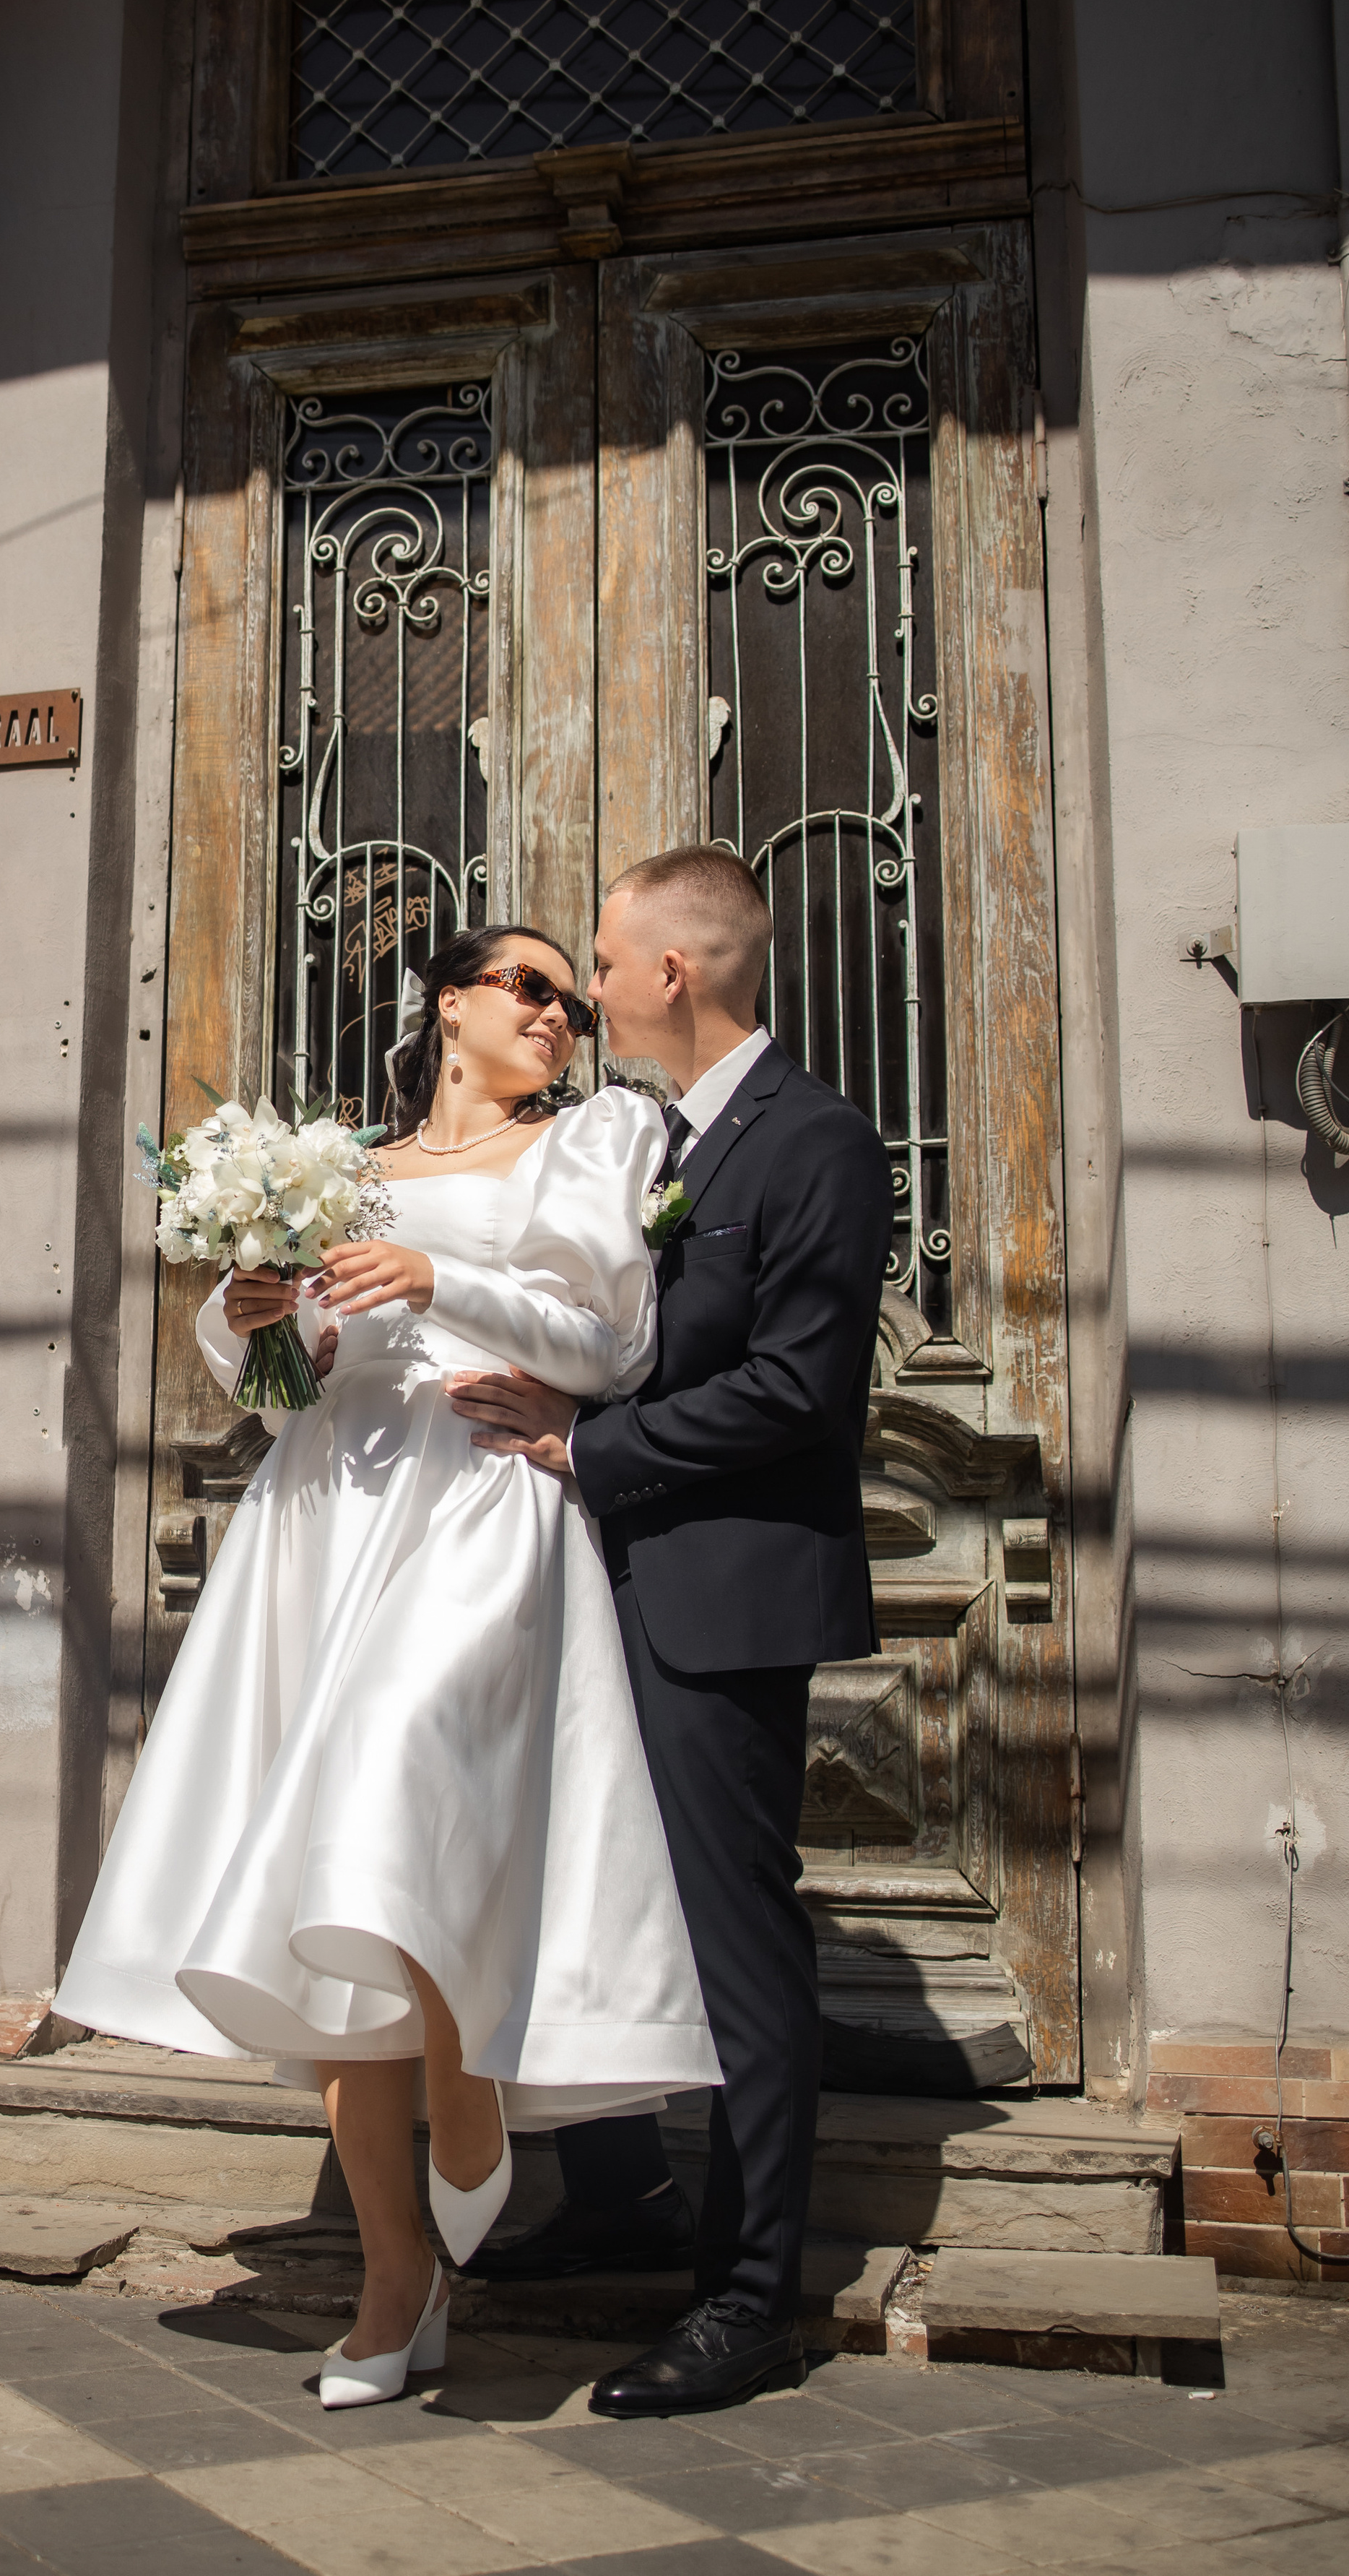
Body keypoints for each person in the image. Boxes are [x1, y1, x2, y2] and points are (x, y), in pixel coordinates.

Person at [56, 922, 719, 2411]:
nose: (556, 1015)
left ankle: (469, 2090)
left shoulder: (594, 1140)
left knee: (387, 1779)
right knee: (317, 1885)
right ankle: (392, 2275)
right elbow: (283, 1374)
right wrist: (244, 1325)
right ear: (451, 1007)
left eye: (568, 996)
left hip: (482, 1499)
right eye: (527, 989)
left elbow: (609, 1343)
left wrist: (440, 1280)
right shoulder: (344, 1162)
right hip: (325, 1513)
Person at [450, 848, 893, 2419]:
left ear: (672, 977)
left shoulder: (814, 1141)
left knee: (728, 1938)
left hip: (714, 1590)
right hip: (582, 1575)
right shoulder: (632, 1142)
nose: (578, 988)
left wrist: (586, 1451)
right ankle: (619, 2198)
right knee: (570, 1887)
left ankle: (752, 2295)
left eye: (601, 962)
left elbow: (795, 1391)